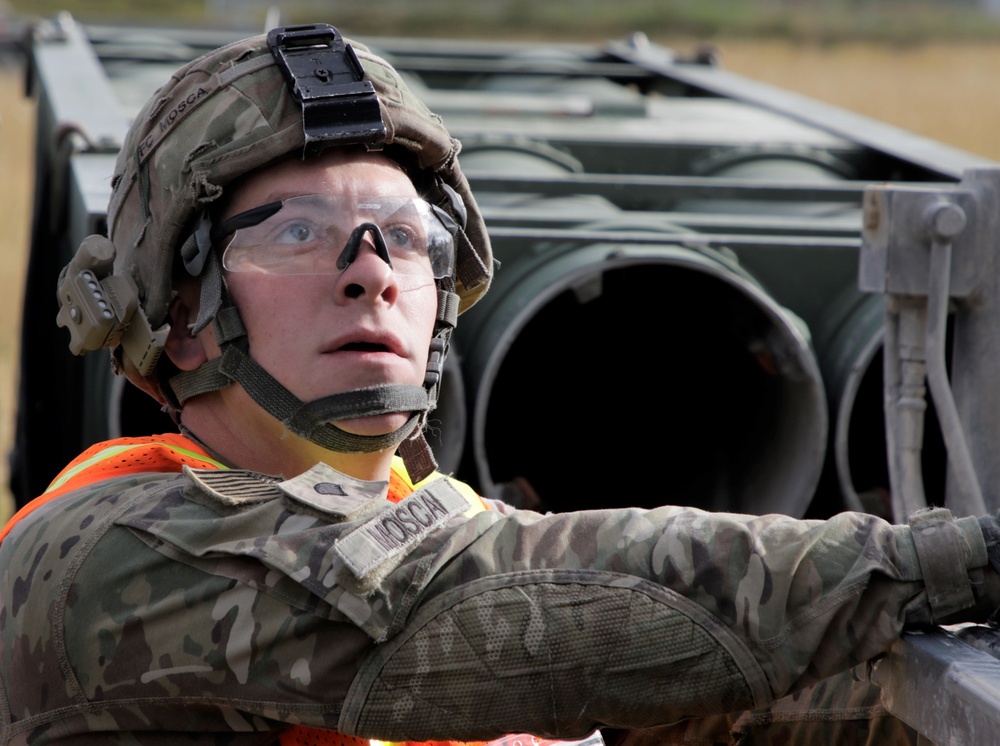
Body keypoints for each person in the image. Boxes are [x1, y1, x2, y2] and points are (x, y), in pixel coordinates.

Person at [2, 22, 999, 746]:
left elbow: (709, 701)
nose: (372, 269)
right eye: (296, 233)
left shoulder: (416, 526)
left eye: (403, 234)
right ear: (181, 317)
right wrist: (951, 559)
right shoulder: (105, 553)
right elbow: (501, 603)